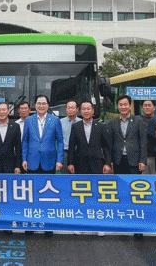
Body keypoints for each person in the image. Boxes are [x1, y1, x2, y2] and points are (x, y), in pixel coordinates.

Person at [67, 100, 111, 237]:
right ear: (80, 111)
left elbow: (106, 147)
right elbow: (71, 146)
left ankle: (99, 226)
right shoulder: (76, 126)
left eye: (88, 109)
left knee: (97, 195)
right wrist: (70, 163)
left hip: (97, 165)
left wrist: (107, 163)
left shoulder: (101, 126)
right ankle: (81, 224)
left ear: (93, 111)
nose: (86, 111)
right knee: (82, 196)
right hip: (80, 165)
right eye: (83, 109)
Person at [21, 94, 63, 238]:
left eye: (44, 103)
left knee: (47, 196)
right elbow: (25, 141)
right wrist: (24, 159)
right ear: (35, 105)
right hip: (32, 161)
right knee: (31, 195)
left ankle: (47, 225)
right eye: (39, 103)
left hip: (49, 161)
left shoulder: (55, 120)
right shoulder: (29, 120)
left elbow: (60, 142)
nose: (41, 106)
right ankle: (31, 224)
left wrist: (59, 160)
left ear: (48, 105)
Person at [107, 95, 147, 175]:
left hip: (134, 161)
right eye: (120, 104)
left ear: (130, 106)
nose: (123, 107)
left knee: (134, 182)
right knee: (120, 182)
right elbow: (109, 143)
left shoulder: (138, 121)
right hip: (118, 161)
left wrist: (143, 161)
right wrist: (109, 161)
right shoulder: (112, 123)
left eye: (125, 104)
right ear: (117, 106)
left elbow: (143, 141)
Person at [60, 100, 81, 172]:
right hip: (65, 153)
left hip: (78, 153)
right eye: (68, 108)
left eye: (72, 108)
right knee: (65, 175)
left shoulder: (81, 122)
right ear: (66, 109)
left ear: (77, 109)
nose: (70, 110)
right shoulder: (60, 122)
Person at [140, 100, 156, 174]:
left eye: (149, 105)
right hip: (142, 158)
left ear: (154, 107)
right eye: (145, 105)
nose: (147, 107)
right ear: (142, 108)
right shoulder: (138, 120)